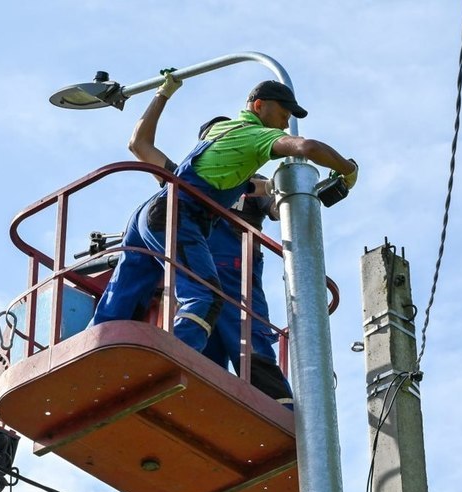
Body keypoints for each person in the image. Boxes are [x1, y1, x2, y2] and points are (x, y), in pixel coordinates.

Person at [91, 73, 358, 361]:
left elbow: (139, 145)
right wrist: (347, 169)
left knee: (123, 294)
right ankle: (167, 361)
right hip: (181, 221)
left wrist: (163, 93)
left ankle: (92, 354)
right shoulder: (254, 136)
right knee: (204, 299)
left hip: (151, 215)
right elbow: (308, 147)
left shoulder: (217, 158)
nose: (285, 122)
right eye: (283, 114)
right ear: (258, 107)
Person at [128, 90, 292, 403]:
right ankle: (188, 389)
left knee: (248, 343)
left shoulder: (253, 185)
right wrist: (162, 95)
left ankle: (281, 408)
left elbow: (279, 208)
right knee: (214, 342)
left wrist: (287, 190)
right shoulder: (187, 178)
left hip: (235, 274)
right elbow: (140, 145)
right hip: (201, 267)